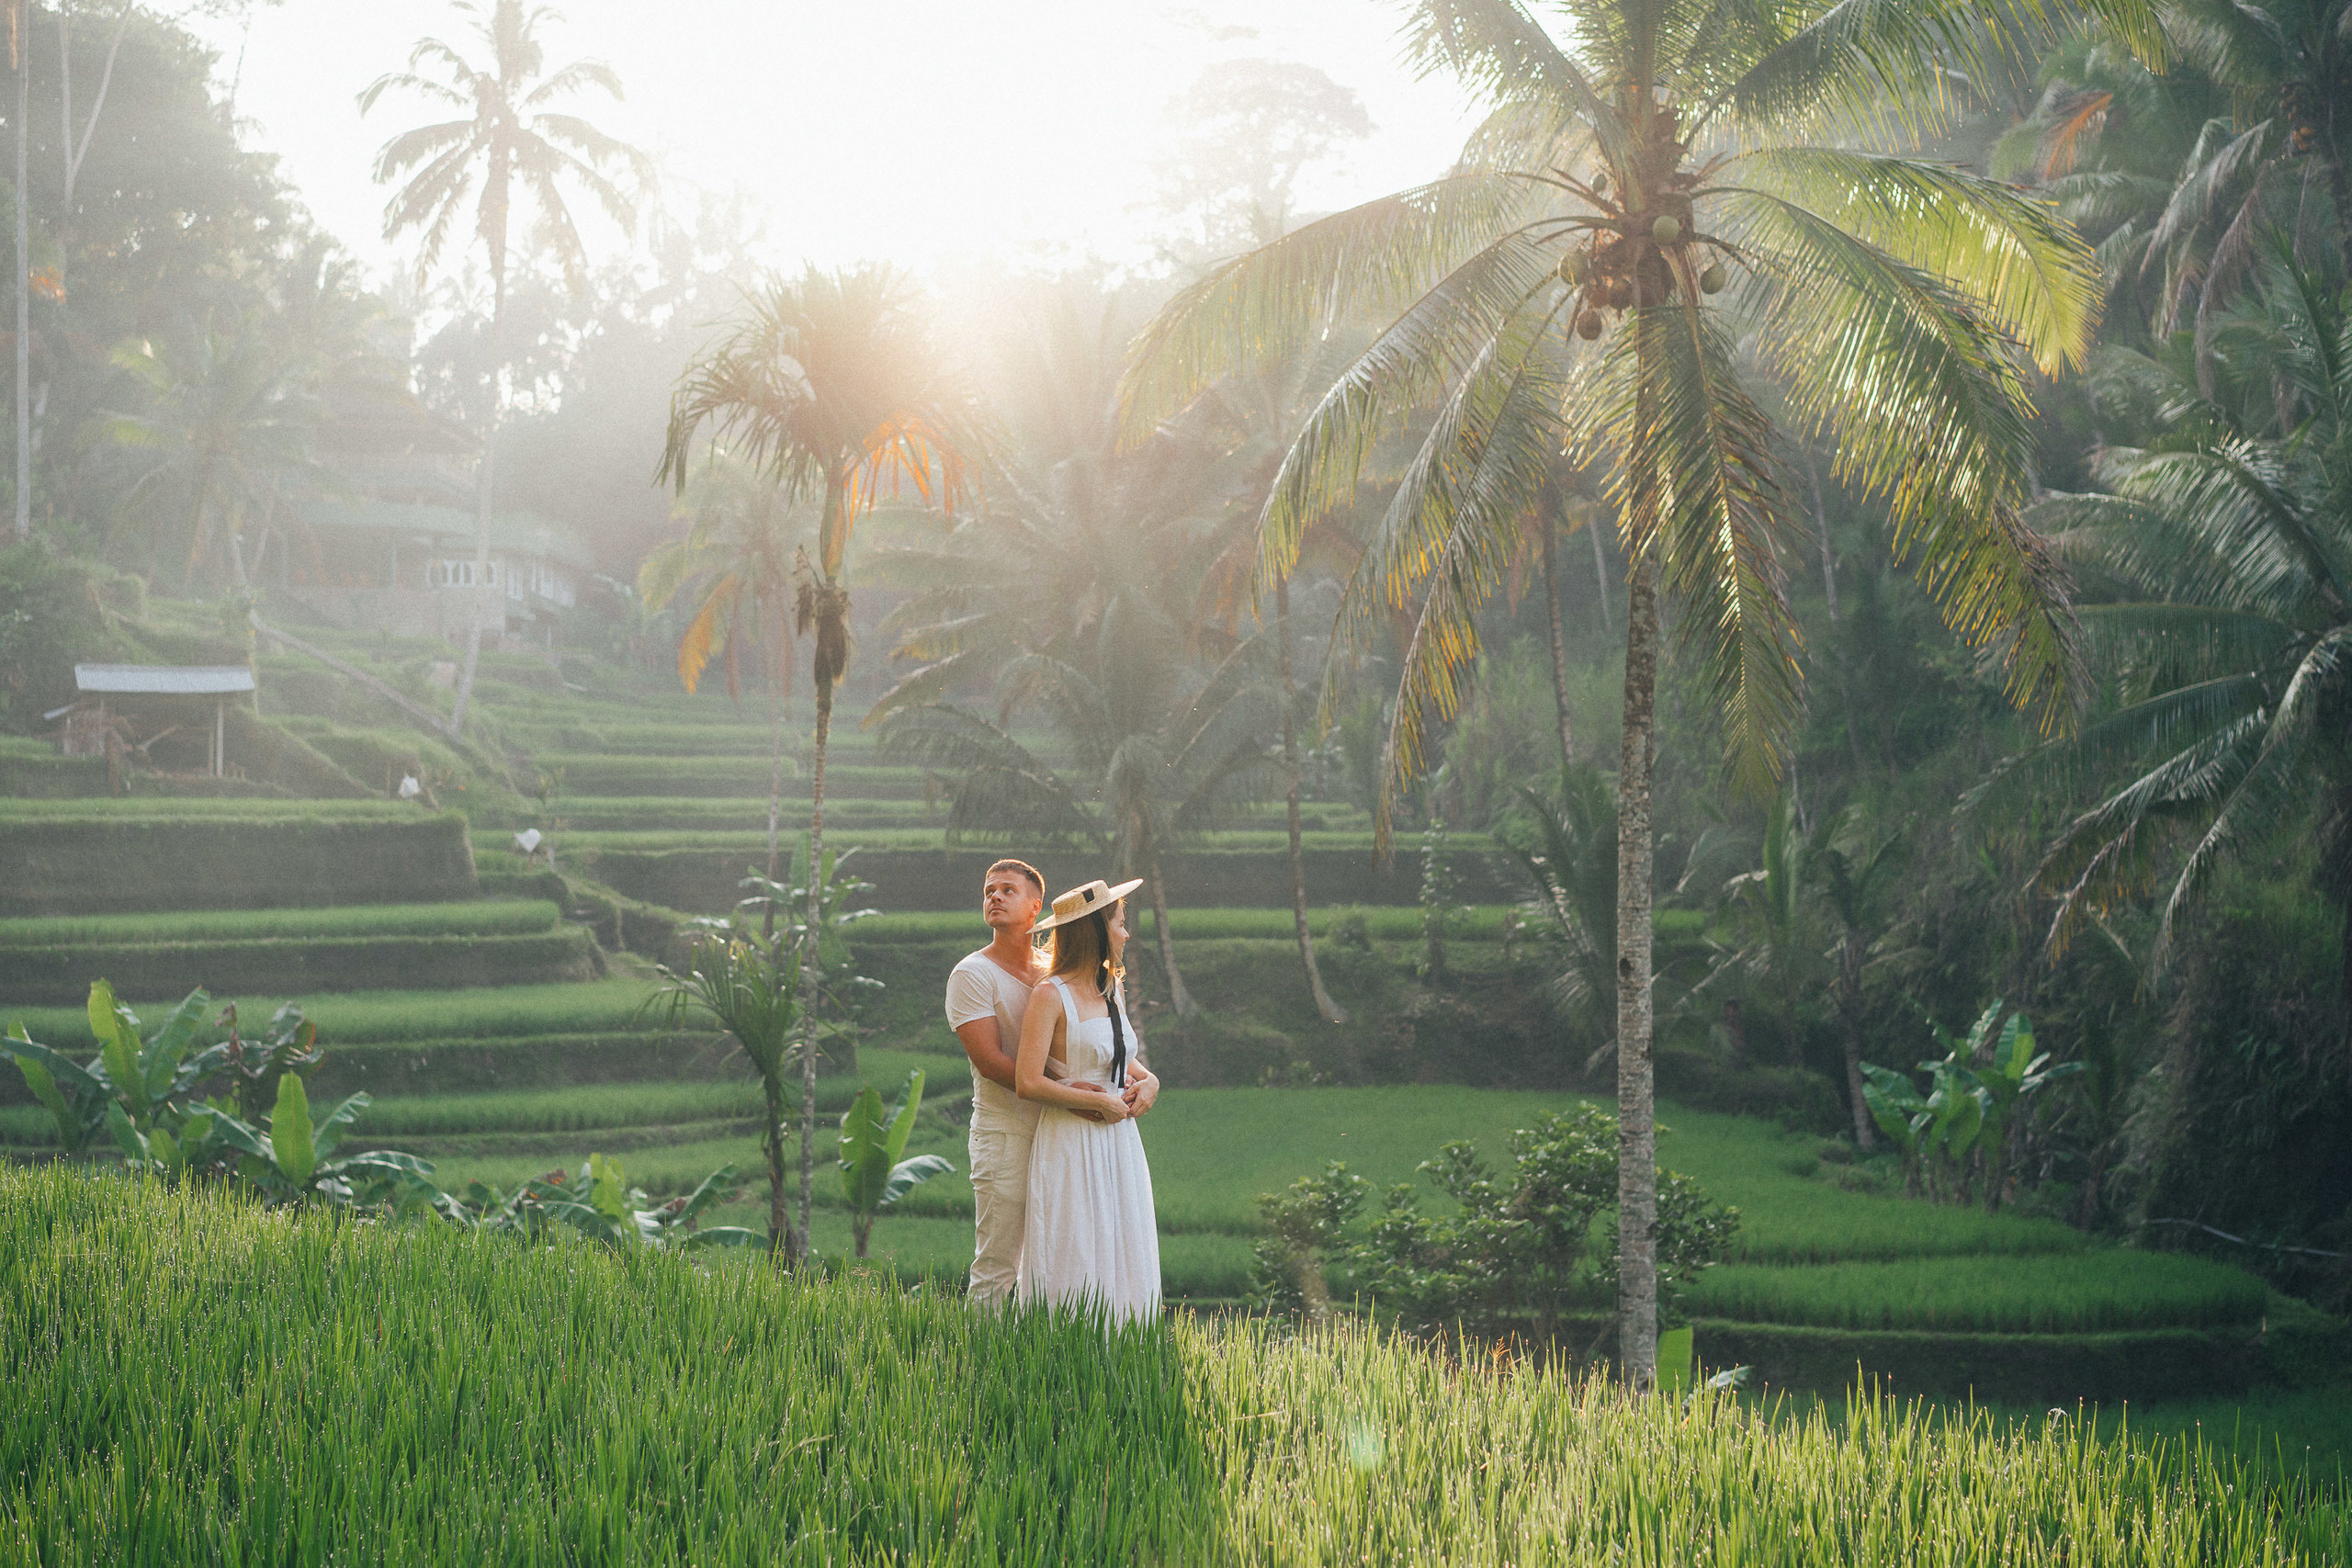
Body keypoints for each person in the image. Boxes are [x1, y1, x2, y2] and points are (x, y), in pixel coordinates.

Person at [1013, 877, 1162, 1324]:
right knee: (1076, 1239)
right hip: (1072, 1139)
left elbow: (1124, 1060)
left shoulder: (1110, 988)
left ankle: (1127, 1343)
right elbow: (1027, 1080)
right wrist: (1098, 1104)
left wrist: (1150, 1082)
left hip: (1120, 1141)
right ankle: (1066, 1349)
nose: (1126, 933)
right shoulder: (1049, 995)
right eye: (1119, 923)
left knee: (1123, 1235)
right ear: (1095, 930)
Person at [943, 859, 1056, 1310]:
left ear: (1036, 906)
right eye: (989, 890)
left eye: (1008, 890)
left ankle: (1036, 1360)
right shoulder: (971, 975)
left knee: (1048, 1261)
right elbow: (990, 1062)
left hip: (1057, 1131)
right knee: (998, 1262)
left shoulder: (1054, 972)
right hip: (1003, 1135)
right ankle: (981, 1366)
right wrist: (1067, 1094)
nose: (995, 897)